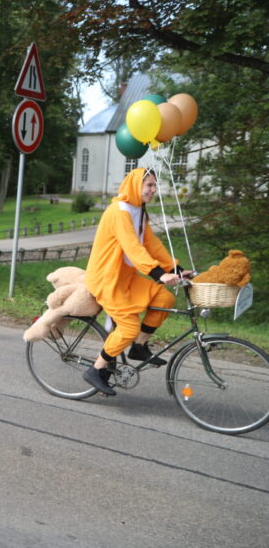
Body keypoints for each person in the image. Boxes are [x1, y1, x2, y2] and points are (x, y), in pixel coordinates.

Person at [83, 167, 194, 395]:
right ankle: (96, 369)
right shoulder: (119, 211)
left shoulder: (139, 211)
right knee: (129, 327)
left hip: (125, 276)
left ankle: (139, 346)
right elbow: (132, 247)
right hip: (107, 278)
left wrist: (176, 269)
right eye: (149, 185)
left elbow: (151, 245)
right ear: (136, 185)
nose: (154, 190)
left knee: (164, 298)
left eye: (155, 185)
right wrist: (158, 274)